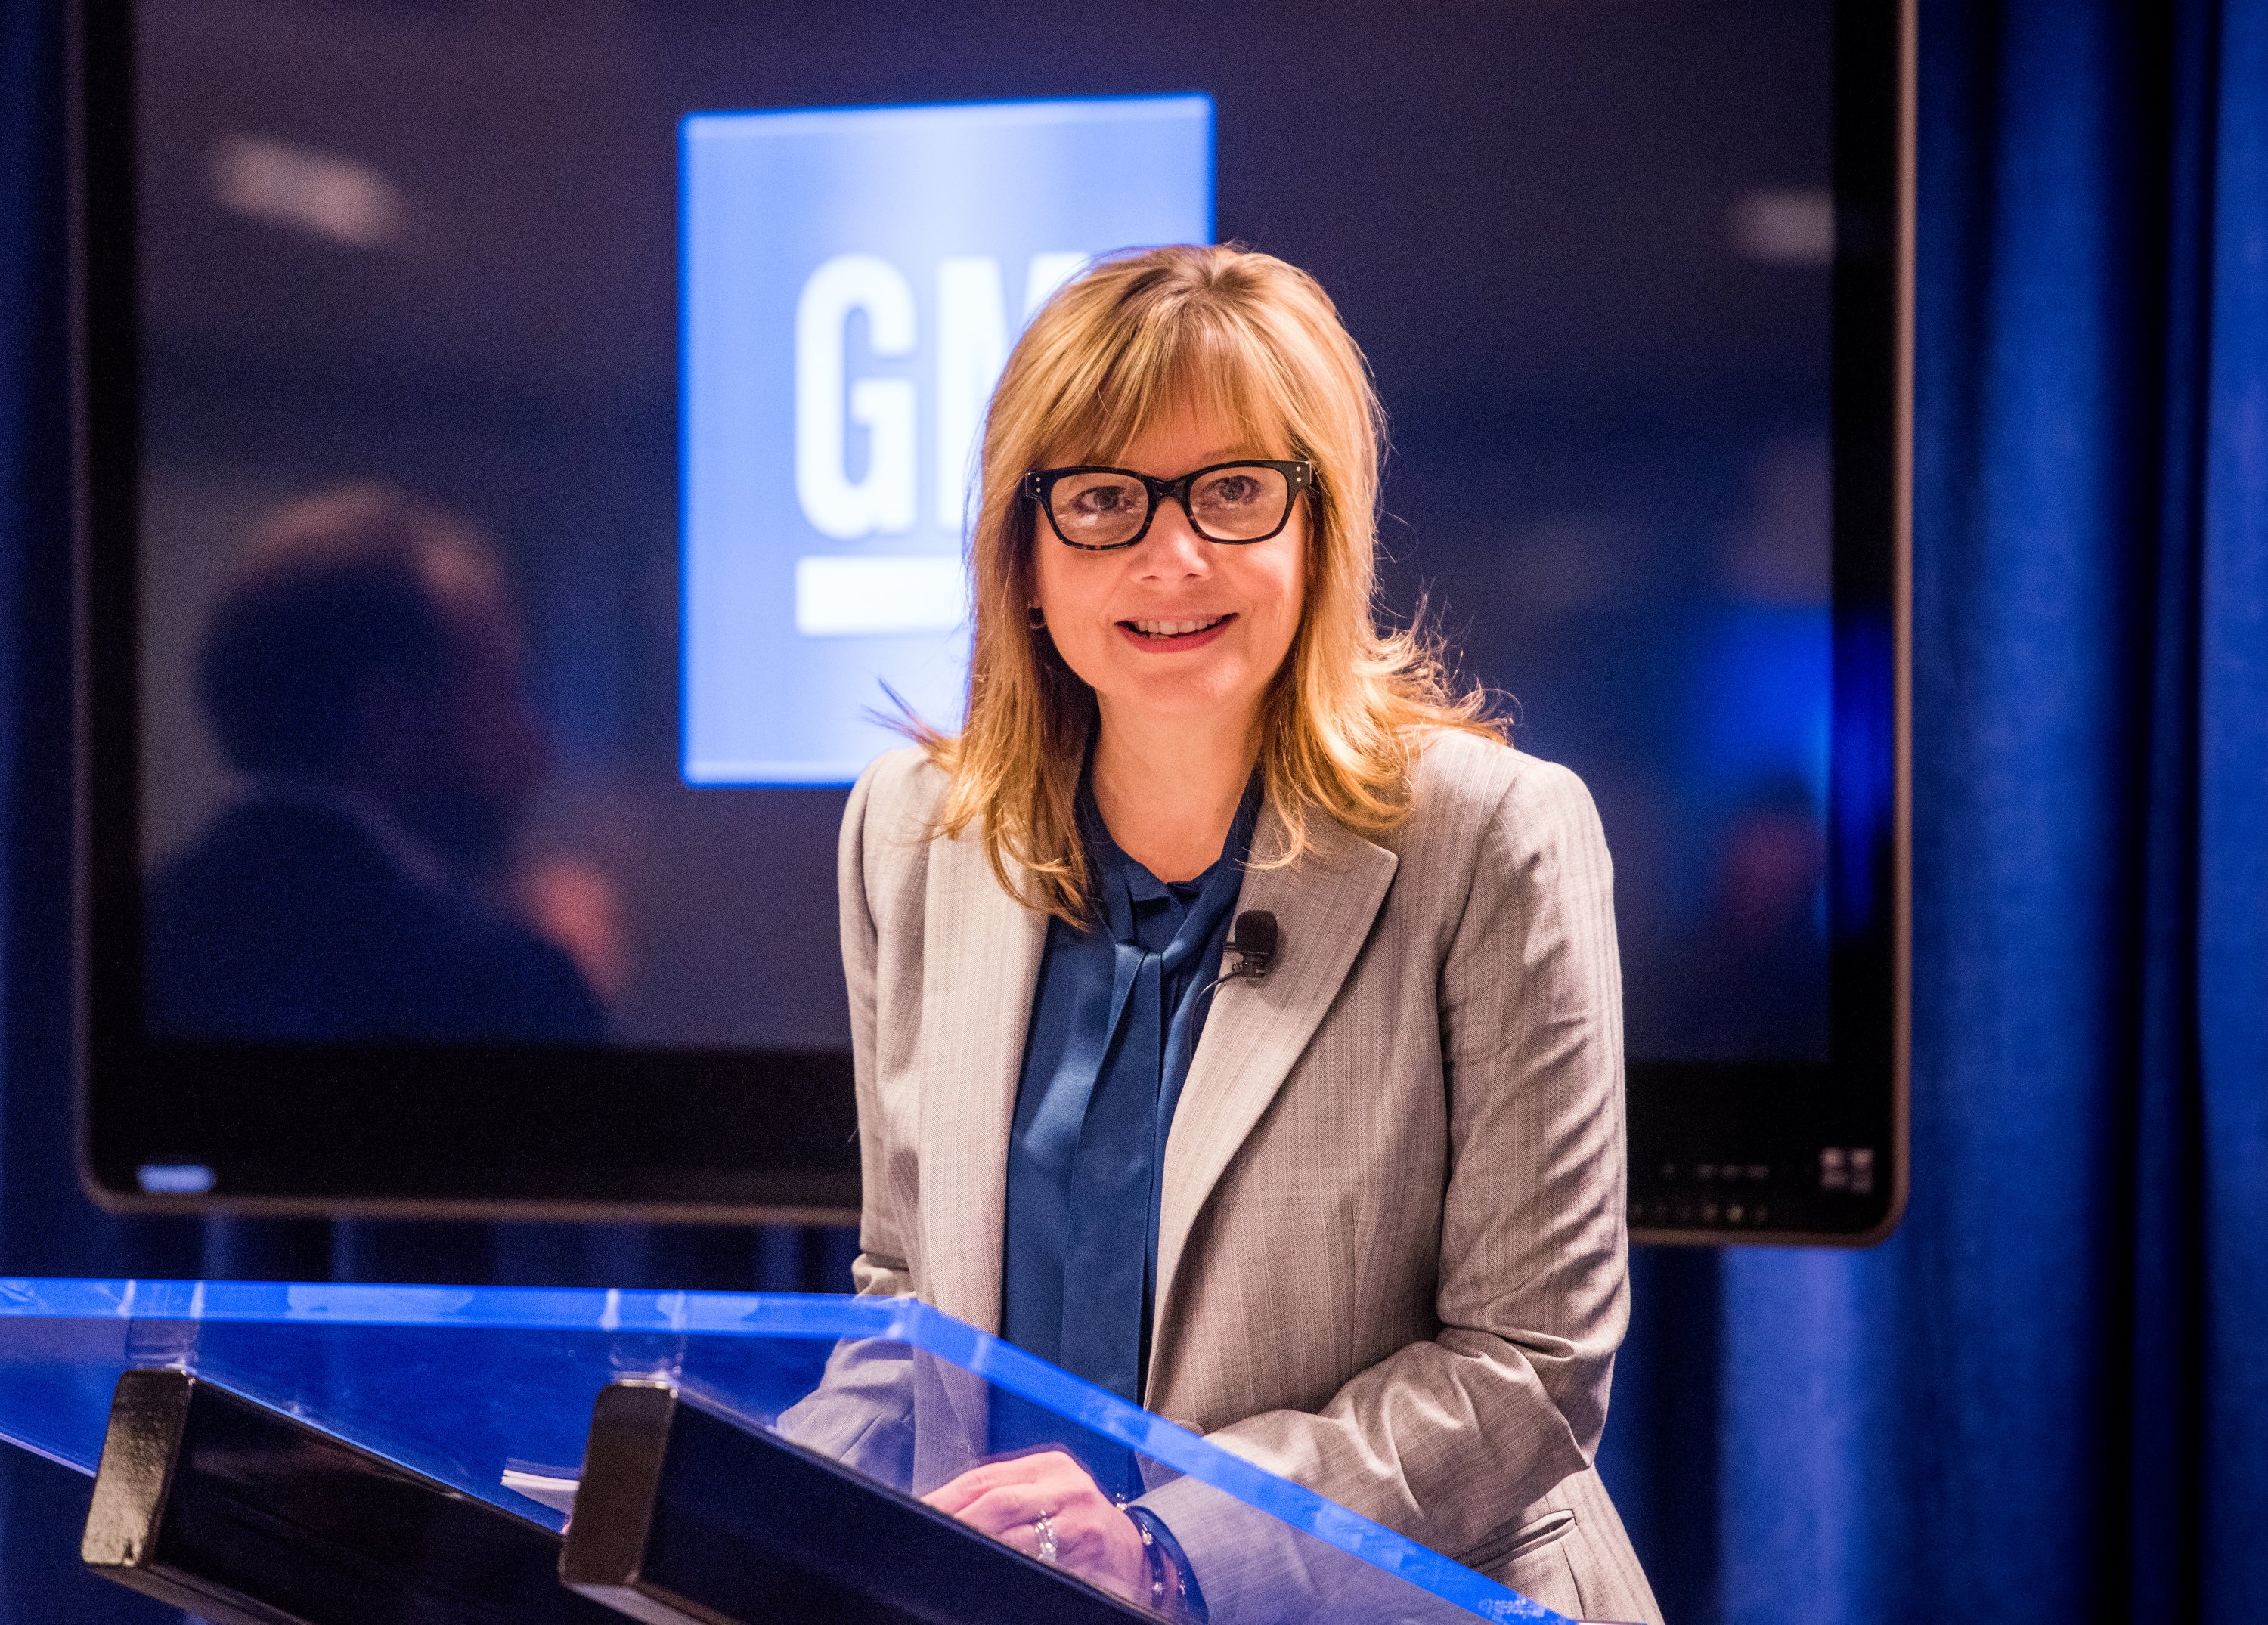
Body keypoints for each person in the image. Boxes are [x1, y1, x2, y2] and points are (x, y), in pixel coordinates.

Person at [823, 246, 1660, 1623]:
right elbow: (907, 1295)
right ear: (1022, 554)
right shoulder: (913, 835)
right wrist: (730, 1510)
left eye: (1234, 493)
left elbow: (1527, 1368)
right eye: (1101, 498)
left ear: (1319, 532)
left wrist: (1169, 1549)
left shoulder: (1494, 838)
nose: (1172, 553)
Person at [146, 483, 606, 1043]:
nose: (539, 755)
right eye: (502, 696)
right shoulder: (499, 988)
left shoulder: (99, 943)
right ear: (389, 723)